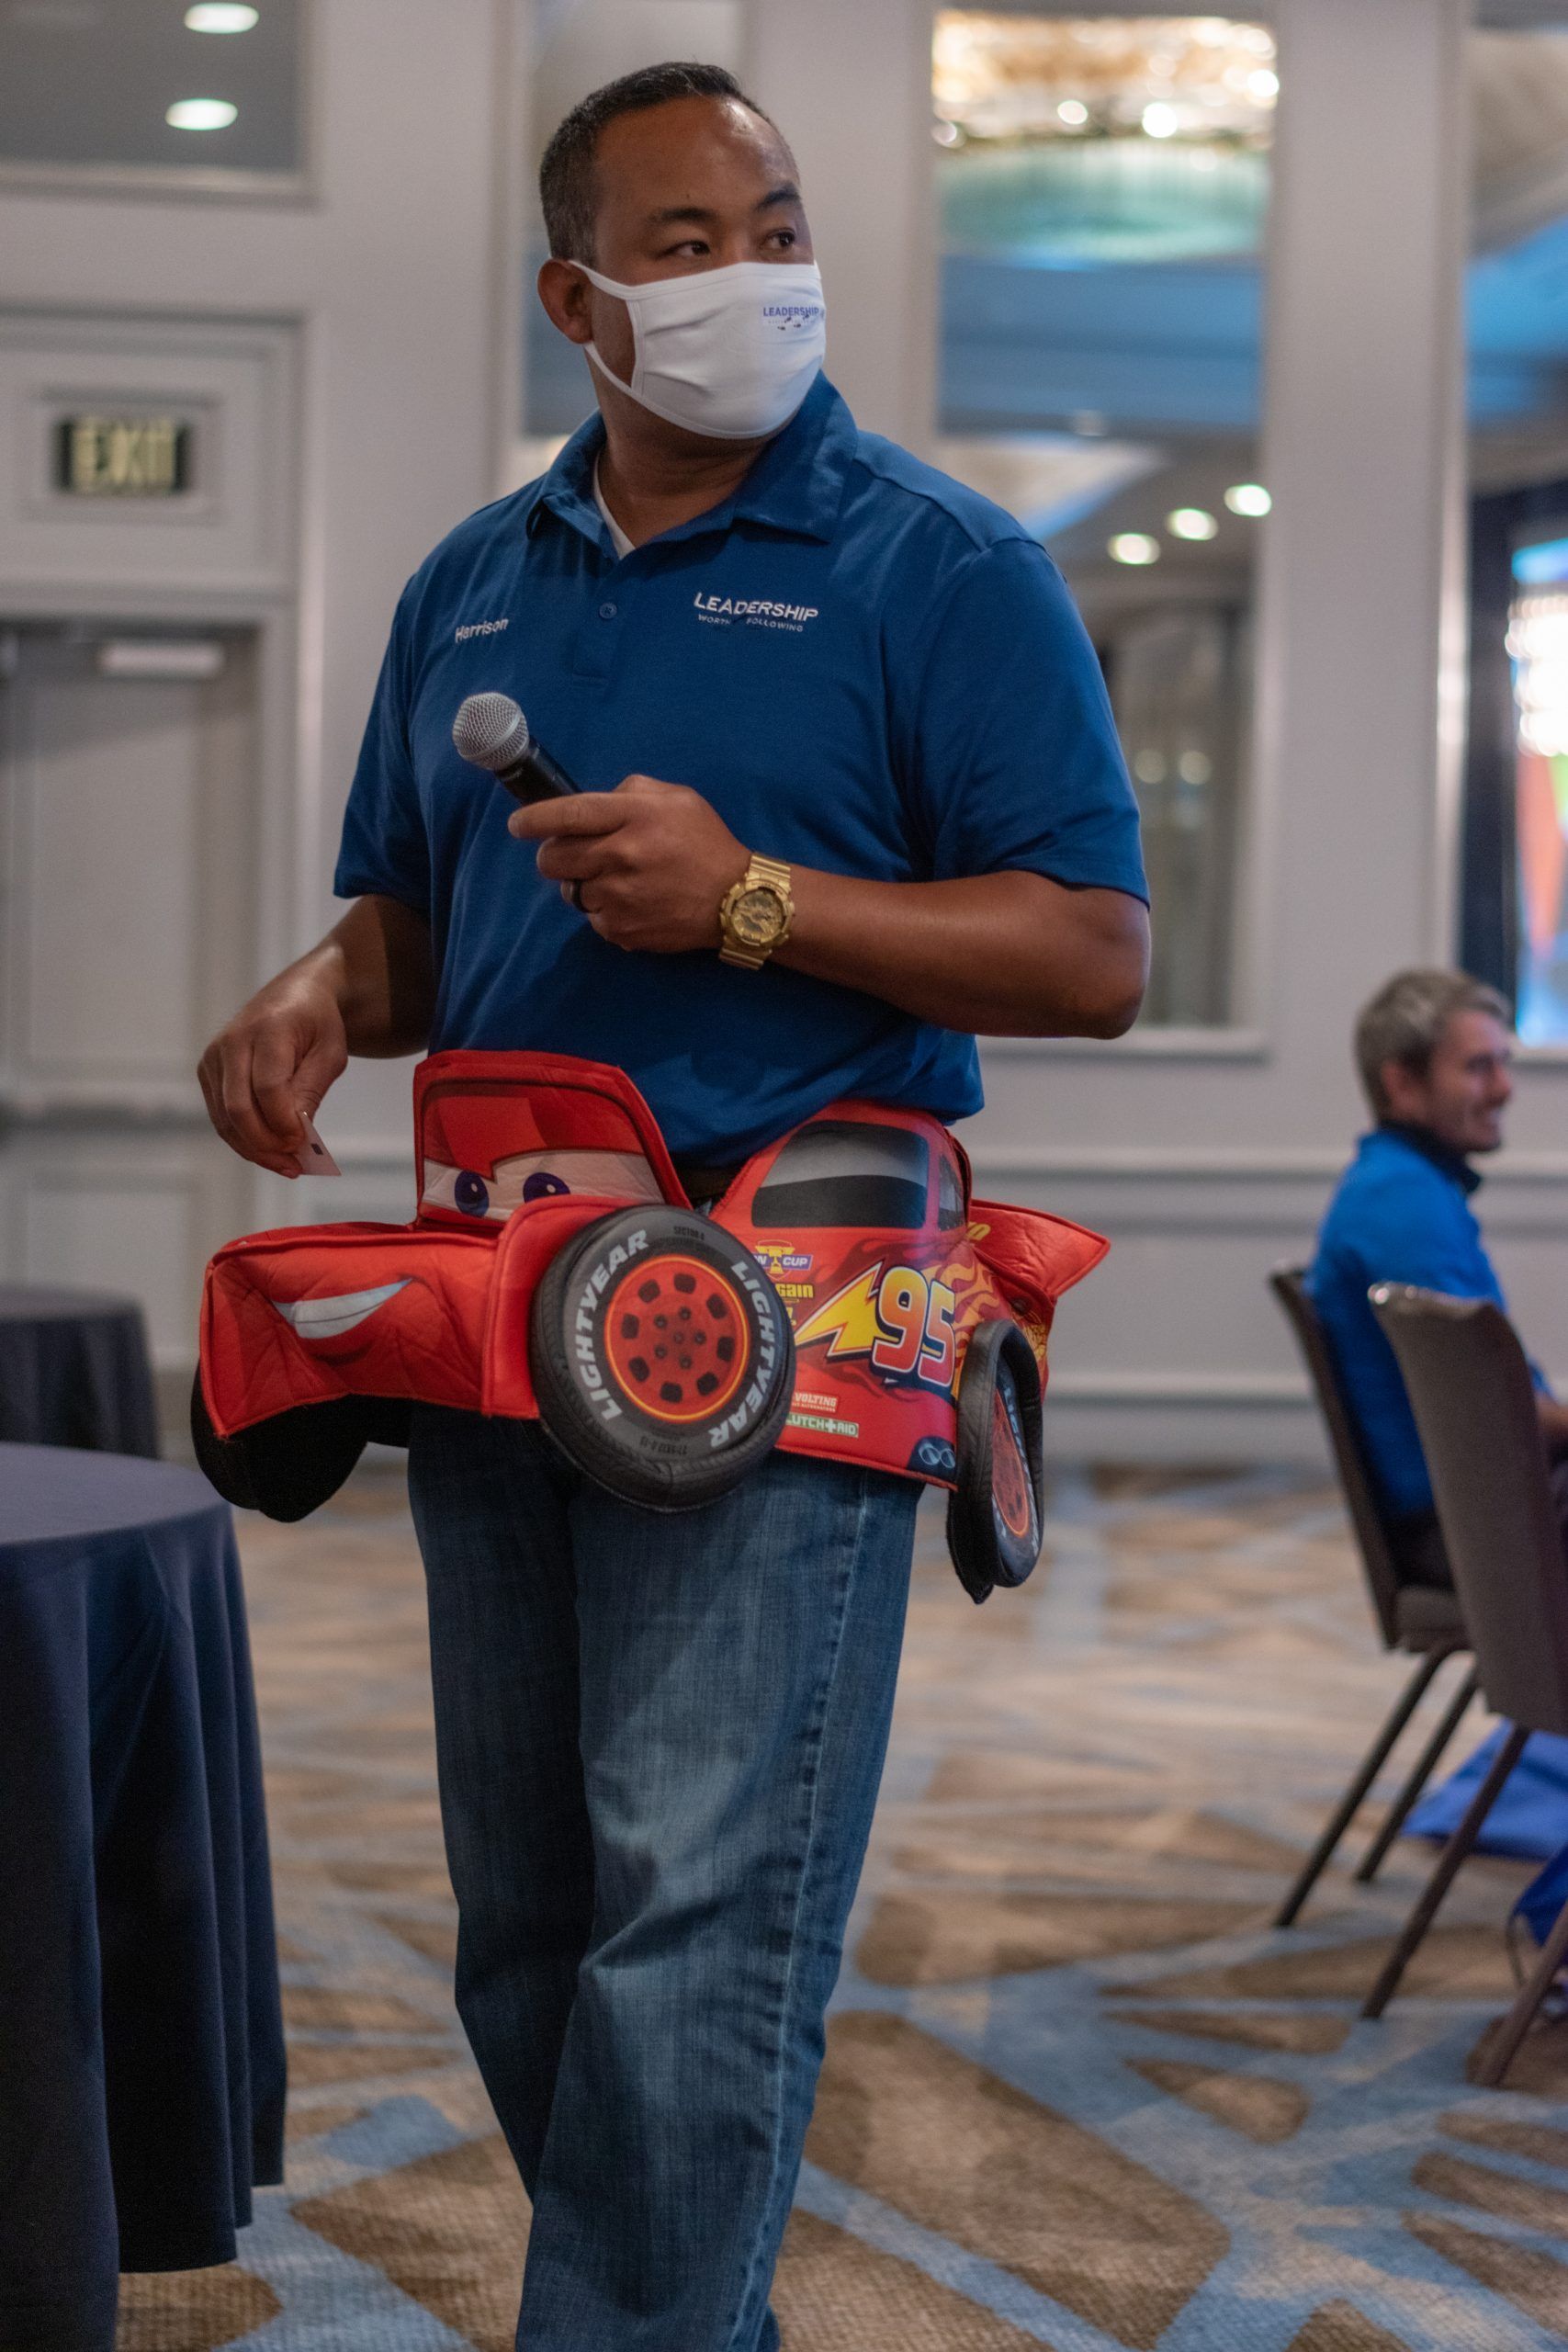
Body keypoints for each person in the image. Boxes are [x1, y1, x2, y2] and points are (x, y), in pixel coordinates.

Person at [197, 61, 1149, 2352]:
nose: (756, 275)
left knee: (695, 1913)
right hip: (508, 1307)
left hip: (798, 1314)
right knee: (530, 1923)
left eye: (775, 221)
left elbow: (1090, 954)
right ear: (578, 297)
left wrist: (751, 904)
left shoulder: (943, 568)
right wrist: (327, 985)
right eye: (692, 241)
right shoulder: (470, 582)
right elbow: (430, 926)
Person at [1310, 967, 1568, 1582]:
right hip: (1471, 1531)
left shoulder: (1398, 1186)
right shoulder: (1402, 1203)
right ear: (1400, 1082)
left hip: (1477, 1513)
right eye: (1478, 1067)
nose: (1504, 1088)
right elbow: (1496, 1411)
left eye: (1502, 1063)